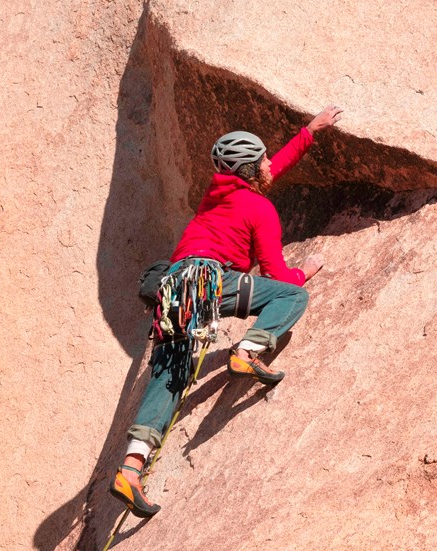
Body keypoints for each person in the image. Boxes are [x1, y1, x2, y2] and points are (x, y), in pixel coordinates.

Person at [109, 105, 345, 517]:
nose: (271, 163)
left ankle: (130, 468)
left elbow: (272, 170)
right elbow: (276, 273)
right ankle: (248, 352)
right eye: (263, 160)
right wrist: (303, 273)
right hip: (209, 281)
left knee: (169, 378)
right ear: (252, 172)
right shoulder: (259, 210)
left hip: (174, 289)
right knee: (292, 298)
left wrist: (309, 132)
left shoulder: (216, 199)